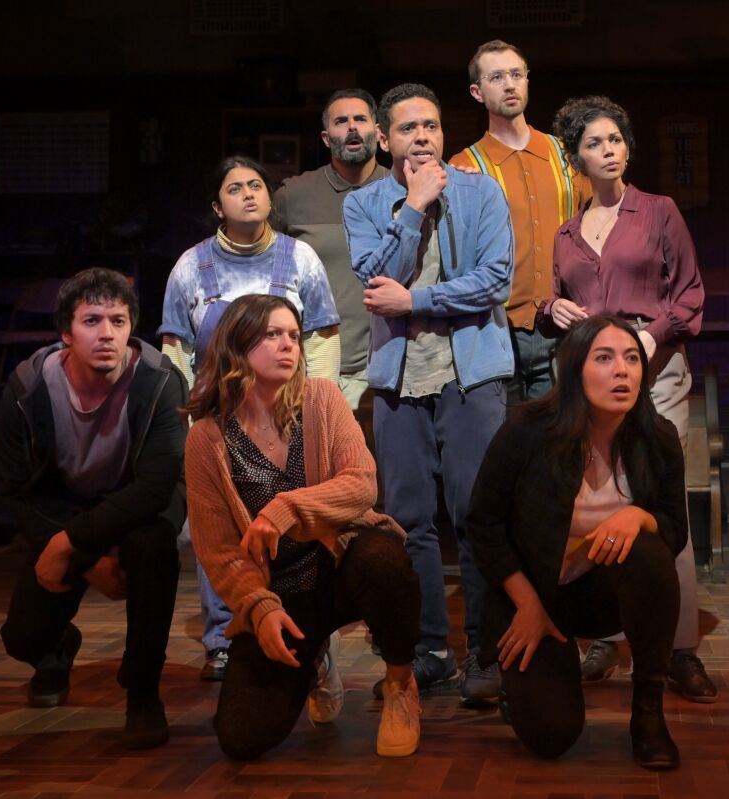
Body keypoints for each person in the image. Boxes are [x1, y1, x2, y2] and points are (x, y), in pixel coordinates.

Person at [184, 294, 422, 758]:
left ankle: (400, 685)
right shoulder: (206, 439)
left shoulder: (322, 399)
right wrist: (259, 607)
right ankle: (315, 656)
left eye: (293, 335)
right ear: (237, 344)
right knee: (241, 737)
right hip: (283, 593)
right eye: (272, 334)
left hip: (340, 568)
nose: (288, 345)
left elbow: (361, 484)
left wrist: (287, 507)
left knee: (384, 558)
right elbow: (219, 551)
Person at [342, 83, 514, 705]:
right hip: (399, 378)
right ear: (384, 139)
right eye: (409, 128)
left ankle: (487, 656)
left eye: (432, 126)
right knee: (409, 520)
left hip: (473, 373)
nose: (423, 137)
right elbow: (373, 277)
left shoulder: (481, 190)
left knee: (476, 516)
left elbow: (495, 280)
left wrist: (415, 301)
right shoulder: (365, 205)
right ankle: (429, 651)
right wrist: (413, 206)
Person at [547, 95, 717, 703]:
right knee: (596, 499)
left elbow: (691, 293)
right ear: (577, 160)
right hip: (591, 385)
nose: (609, 150)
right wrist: (551, 308)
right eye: (594, 143)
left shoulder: (659, 211)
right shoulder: (567, 232)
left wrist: (645, 339)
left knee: (657, 497)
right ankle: (604, 631)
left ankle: (679, 648)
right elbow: (557, 295)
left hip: (656, 372)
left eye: (616, 139)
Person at [467, 314, 685, 768]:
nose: (621, 370)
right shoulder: (527, 431)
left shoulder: (658, 437)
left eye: (630, 359)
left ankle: (648, 713)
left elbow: (675, 531)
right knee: (552, 737)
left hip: (599, 595)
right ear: (574, 370)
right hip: (533, 596)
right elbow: (483, 524)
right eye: (604, 358)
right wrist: (526, 604)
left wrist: (639, 516)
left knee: (650, 552)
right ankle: (529, 685)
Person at [160, 155, 342, 681]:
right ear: (217, 206)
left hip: (288, 414)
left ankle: (312, 633)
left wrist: (317, 403)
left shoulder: (299, 258)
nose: (248, 194)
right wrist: (192, 421)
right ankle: (226, 634)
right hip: (218, 421)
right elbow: (174, 349)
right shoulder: (192, 266)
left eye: (256, 185)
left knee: (301, 522)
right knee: (216, 530)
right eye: (235, 188)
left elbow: (323, 338)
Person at [0, 267, 186, 750]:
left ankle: (143, 692)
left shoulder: (161, 382)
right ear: (65, 332)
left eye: (119, 321)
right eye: (92, 321)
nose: (107, 334)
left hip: (135, 514)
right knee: (22, 638)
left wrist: (74, 548)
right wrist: (78, 552)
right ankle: (57, 649)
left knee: (155, 546)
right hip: (62, 512)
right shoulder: (26, 388)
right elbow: (16, 490)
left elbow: (158, 487)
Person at [449, 39, 591, 404]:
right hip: (496, 330)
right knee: (505, 450)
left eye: (516, 74)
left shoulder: (564, 155)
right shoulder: (465, 166)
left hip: (562, 325)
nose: (509, 84)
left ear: (527, 80)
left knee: (559, 447)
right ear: (477, 92)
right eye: (496, 77)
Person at [271, 89, 390, 411]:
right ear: (326, 138)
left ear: (378, 132)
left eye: (360, 119)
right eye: (341, 121)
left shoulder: (405, 190)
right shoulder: (293, 195)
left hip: (388, 370)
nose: (352, 127)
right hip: (313, 368)